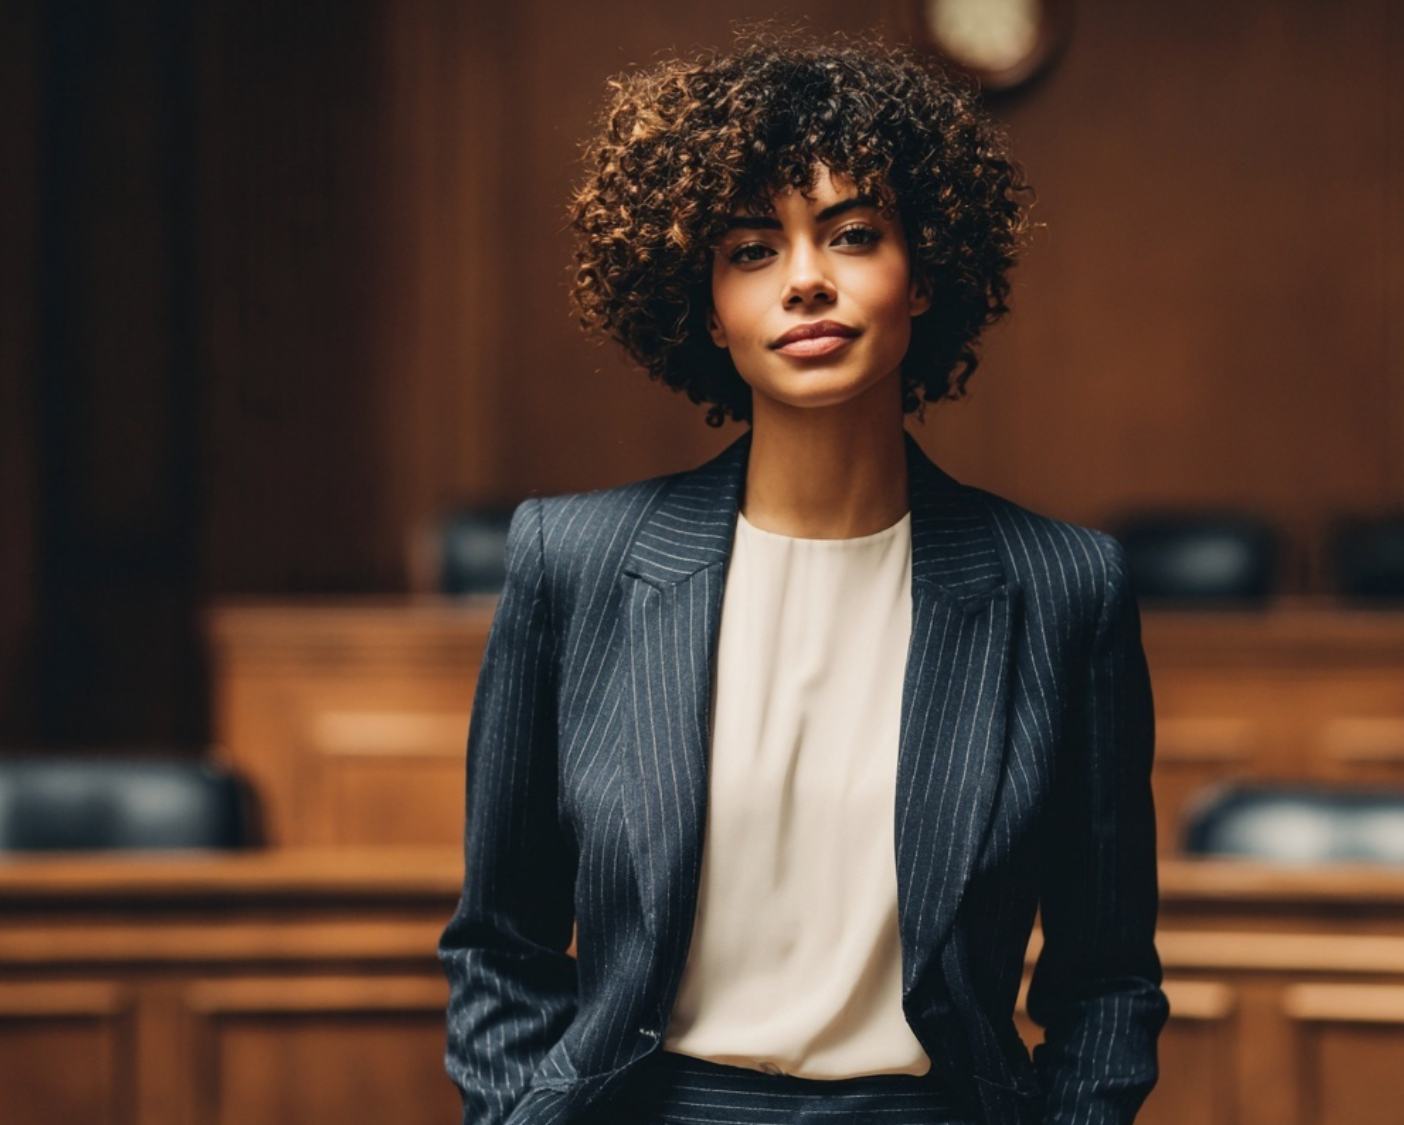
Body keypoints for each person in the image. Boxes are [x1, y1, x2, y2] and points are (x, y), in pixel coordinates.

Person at [439, 31, 1167, 1125]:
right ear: (704, 303)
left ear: (921, 274)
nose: (806, 282)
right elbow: (500, 943)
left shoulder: (1064, 587)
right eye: (750, 250)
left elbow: (1105, 979)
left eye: (852, 235)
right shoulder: (572, 563)